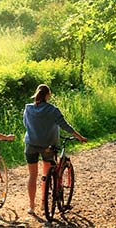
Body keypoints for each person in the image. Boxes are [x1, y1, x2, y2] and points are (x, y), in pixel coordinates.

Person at [23, 84, 87, 215]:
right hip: (48, 146)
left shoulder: (28, 108)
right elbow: (65, 126)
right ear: (47, 95)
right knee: (46, 175)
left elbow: (26, 124)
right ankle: (43, 202)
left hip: (31, 145)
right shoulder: (52, 110)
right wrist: (79, 137)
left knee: (32, 175)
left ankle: (31, 206)